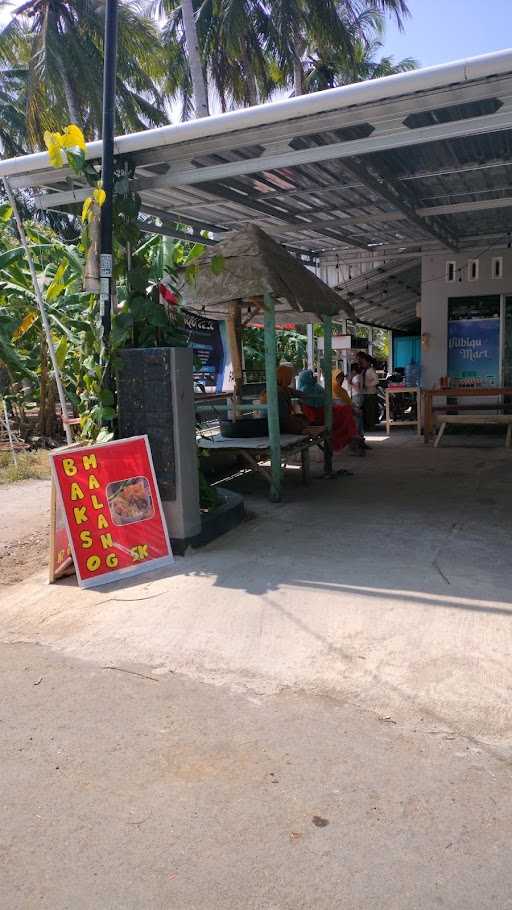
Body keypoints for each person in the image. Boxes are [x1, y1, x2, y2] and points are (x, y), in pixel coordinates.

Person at [297, 369, 364, 454]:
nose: (313, 377)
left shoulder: (316, 386)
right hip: (320, 415)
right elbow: (316, 408)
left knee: (349, 413)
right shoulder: (305, 389)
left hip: (326, 410)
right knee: (348, 413)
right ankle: (353, 436)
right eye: (311, 376)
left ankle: (353, 436)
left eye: (342, 378)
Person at [260, 363, 308, 434]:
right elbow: (283, 418)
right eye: (291, 376)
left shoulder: (277, 388)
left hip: (271, 423)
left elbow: (298, 393)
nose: (292, 378)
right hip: (277, 425)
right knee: (303, 420)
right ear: (286, 377)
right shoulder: (280, 392)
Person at [333, 369, 369, 447]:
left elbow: (348, 402)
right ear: (334, 378)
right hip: (339, 415)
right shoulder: (334, 390)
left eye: (342, 378)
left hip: (346, 411)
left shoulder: (342, 390)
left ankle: (359, 437)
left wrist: (353, 408)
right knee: (355, 418)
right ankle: (356, 439)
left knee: (358, 416)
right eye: (339, 378)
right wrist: (353, 409)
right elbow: (340, 404)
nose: (341, 380)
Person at [357, 351, 379, 431]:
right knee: (367, 411)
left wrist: (367, 385)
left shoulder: (370, 370)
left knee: (370, 411)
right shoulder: (364, 371)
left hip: (371, 393)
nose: (362, 363)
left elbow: (376, 381)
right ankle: (369, 426)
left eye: (363, 362)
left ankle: (371, 426)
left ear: (368, 362)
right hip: (366, 393)